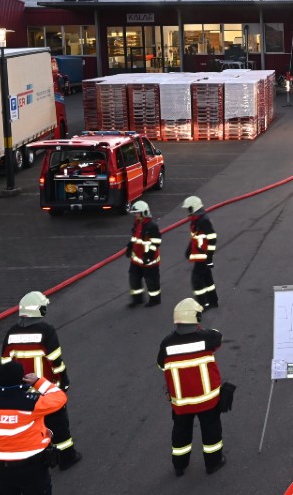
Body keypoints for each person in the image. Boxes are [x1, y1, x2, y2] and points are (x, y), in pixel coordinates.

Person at [0, 291, 82, 470]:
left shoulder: (11, 333)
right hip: (44, 390)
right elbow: (56, 362)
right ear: (40, 310)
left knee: (28, 427)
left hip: (20, 393)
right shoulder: (46, 331)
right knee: (59, 425)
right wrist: (63, 382)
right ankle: (66, 457)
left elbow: (5, 366)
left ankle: (33, 458)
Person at [0, 360, 67, 495]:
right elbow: (59, 397)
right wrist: (37, 381)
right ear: (21, 380)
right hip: (33, 469)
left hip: (2, 471)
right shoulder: (32, 403)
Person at [158, 298, 227, 476]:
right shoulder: (208, 338)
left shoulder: (166, 343)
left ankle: (179, 466)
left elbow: (161, 365)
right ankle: (213, 463)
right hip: (207, 400)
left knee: (181, 433)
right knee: (211, 431)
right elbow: (219, 337)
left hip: (181, 403)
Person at [182, 196, 219, 309]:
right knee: (207, 279)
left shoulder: (203, 221)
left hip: (203, 257)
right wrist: (189, 250)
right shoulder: (197, 221)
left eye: (188, 209)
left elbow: (212, 238)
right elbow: (195, 238)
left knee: (196, 280)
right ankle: (213, 301)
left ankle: (203, 304)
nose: (187, 211)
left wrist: (209, 257)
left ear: (193, 208)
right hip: (201, 256)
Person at [127, 200, 162, 307]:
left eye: (137, 213)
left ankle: (155, 300)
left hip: (150, 261)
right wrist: (129, 247)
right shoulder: (137, 224)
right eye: (135, 213)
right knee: (134, 279)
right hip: (136, 260)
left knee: (151, 282)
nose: (135, 215)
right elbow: (135, 238)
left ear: (144, 213)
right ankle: (137, 299)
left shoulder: (152, 226)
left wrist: (149, 256)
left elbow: (156, 242)